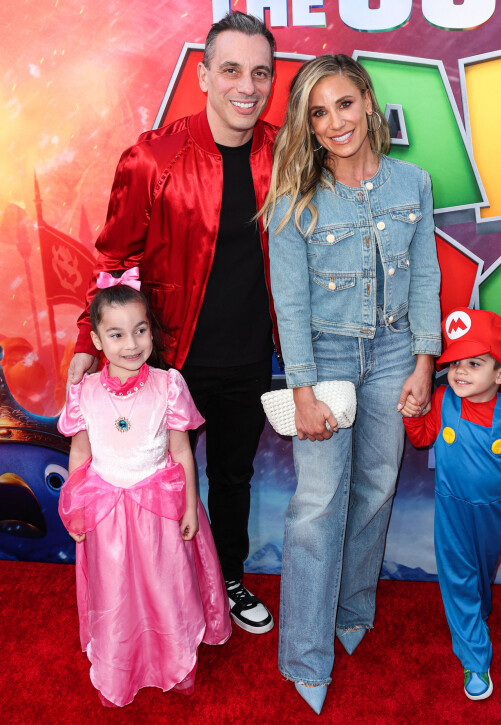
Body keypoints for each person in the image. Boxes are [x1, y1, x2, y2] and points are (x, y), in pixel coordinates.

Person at [66, 11, 279, 634]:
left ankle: (230, 579)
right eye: (232, 69)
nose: (247, 85)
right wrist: (88, 339)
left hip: (248, 359)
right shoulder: (152, 157)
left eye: (260, 72)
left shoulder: (283, 155)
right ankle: (161, 591)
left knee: (232, 478)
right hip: (165, 361)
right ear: (205, 76)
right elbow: (114, 259)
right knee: (157, 481)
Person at [261, 54, 441, 713]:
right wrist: (303, 388)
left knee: (376, 487)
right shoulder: (294, 198)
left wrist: (425, 360)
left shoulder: (412, 183)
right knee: (317, 502)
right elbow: (291, 302)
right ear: (306, 126)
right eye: (317, 112)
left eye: (342, 103)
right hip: (326, 359)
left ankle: (352, 607)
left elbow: (425, 277)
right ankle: (307, 654)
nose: (334, 121)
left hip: (395, 351)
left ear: (367, 100)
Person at [57, 269, 231, 707]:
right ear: (96, 341)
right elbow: (80, 454)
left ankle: (171, 654)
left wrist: (190, 507)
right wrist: (76, 507)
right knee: (116, 590)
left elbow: (183, 451)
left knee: (165, 585)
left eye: (140, 330)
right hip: (106, 509)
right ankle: (123, 657)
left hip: (159, 504)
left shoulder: (169, 385)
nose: (131, 344)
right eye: (116, 335)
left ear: (151, 331)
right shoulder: (84, 392)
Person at [402, 307, 501, 701]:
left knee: (481, 573)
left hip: (494, 513)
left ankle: (475, 615)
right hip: (451, 511)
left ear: (500, 375)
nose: (459, 372)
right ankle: (475, 658)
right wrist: (413, 415)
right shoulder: (445, 399)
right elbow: (421, 438)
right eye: (455, 364)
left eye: (474, 364)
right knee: (460, 580)